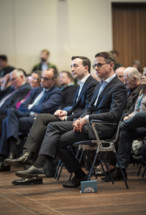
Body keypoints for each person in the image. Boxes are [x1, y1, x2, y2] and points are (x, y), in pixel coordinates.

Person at [15, 52, 127, 189]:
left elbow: (114, 115)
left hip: (103, 128)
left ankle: (38, 165)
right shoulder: (99, 85)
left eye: (99, 65)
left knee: (52, 127)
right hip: (90, 125)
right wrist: (80, 119)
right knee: (56, 140)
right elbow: (89, 108)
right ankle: (79, 175)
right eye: (95, 65)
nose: (96, 68)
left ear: (111, 65)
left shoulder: (118, 87)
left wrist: (86, 118)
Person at [6, 56, 98, 184]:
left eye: (75, 66)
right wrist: (65, 111)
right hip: (74, 117)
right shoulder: (81, 84)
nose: (72, 69)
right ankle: (28, 155)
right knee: (42, 118)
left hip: (83, 122)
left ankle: (35, 164)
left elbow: (88, 109)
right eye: (71, 66)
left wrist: (68, 116)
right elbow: (77, 107)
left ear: (86, 67)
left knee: (50, 131)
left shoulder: (92, 84)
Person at [0, 69, 62, 171]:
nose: (42, 80)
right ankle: (11, 151)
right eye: (41, 77)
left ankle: (6, 155)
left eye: (45, 78)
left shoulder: (56, 93)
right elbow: (21, 106)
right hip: (27, 115)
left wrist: (29, 107)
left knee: (7, 121)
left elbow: (43, 108)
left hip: (38, 120)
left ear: (53, 80)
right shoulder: (36, 90)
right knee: (11, 112)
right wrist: (29, 108)